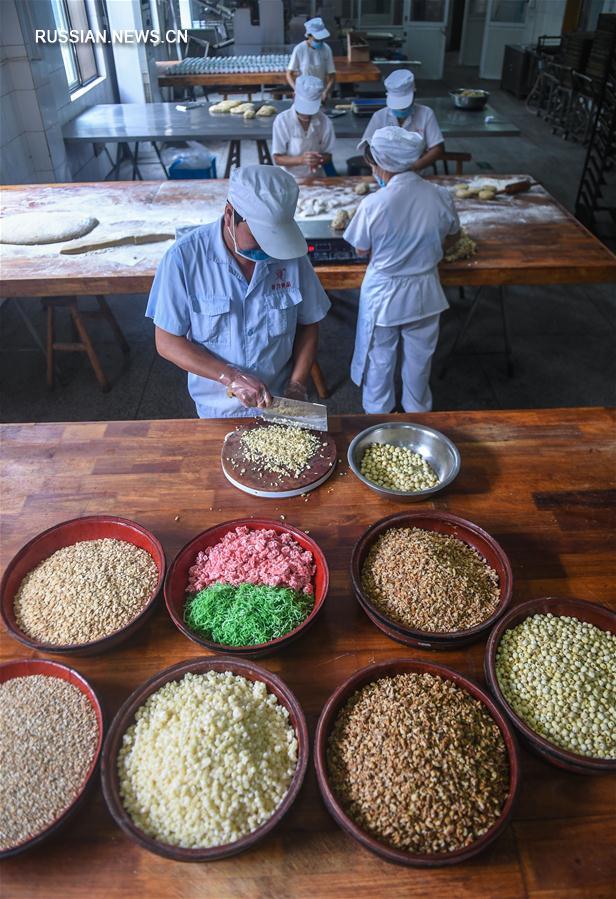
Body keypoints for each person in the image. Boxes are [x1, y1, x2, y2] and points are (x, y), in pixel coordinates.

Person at [146, 165, 331, 418]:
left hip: (279, 401)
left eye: (274, 242)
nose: (267, 251)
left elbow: (309, 323)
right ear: (230, 214)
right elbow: (167, 342)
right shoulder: (184, 259)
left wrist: (297, 385)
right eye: (260, 240)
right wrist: (229, 376)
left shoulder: (290, 256)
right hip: (217, 410)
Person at [343, 126, 460, 414]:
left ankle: (378, 418)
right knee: (420, 362)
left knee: (380, 360)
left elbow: (360, 248)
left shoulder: (374, 204)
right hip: (425, 293)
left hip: (385, 296)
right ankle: (418, 417)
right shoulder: (440, 195)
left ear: (380, 164)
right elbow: (455, 235)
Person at [358, 69, 444, 173]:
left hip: (415, 175)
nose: (401, 110)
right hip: (385, 174)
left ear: (414, 95)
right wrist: (380, 169)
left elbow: (437, 148)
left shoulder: (426, 114)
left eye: (404, 106)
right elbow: (366, 149)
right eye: (397, 106)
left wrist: (414, 167)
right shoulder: (380, 116)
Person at [272, 75, 335, 179]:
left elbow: (328, 155)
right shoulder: (282, 120)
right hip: (289, 178)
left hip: (317, 177)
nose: (306, 113)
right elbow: (277, 158)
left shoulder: (325, 122)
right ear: (293, 96)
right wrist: (301, 160)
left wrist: (318, 159)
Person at [286, 17, 336, 102]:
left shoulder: (326, 49)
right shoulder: (299, 49)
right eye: (317, 39)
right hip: (303, 93)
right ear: (309, 36)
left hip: (320, 94)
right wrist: (296, 89)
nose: (320, 42)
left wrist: (326, 91)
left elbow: (332, 75)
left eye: (321, 39)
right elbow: (289, 73)